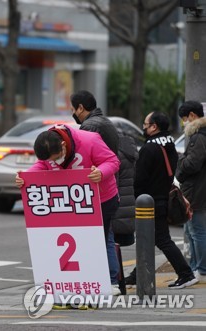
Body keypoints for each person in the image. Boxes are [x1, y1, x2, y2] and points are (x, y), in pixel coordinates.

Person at [16, 124, 120, 291]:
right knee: (80, 239)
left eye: (56, 158)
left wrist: (100, 172)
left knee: (101, 239)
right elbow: (42, 166)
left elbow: (112, 161)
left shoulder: (89, 140)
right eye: (50, 160)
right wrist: (26, 178)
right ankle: (80, 281)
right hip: (71, 202)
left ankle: (111, 281)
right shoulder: (49, 148)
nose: (54, 162)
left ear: (63, 146)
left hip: (102, 199)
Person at [125, 111, 197, 289]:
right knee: (148, 239)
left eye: (146, 124)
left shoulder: (149, 148)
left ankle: (186, 274)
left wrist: (137, 198)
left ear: (154, 127)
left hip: (149, 201)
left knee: (162, 239)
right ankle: (137, 275)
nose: (143, 127)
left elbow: (140, 179)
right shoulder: (169, 143)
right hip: (163, 197)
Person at [70, 90, 123, 294]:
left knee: (100, 238)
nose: (73, 113)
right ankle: (112, 280)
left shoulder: (90, 127)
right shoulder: (105, 122)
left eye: (73, 109)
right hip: (107, 186)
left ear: (81, 108)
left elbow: (97, 159)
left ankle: (107, 280)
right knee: (106, 236)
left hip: (97, 189)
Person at [176, 101, 206, 283]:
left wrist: (180, 160)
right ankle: (197, 267)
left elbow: (192, 164)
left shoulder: (199, 137)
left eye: (184, 119)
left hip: (196, 191)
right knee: (193, 229)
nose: (183, 123)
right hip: (197, 190)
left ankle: (200, 269)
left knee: (197, 231)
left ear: (192, 116)